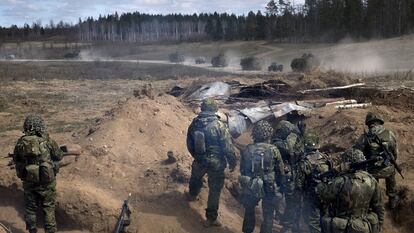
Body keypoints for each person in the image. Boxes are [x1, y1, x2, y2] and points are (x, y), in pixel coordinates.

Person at [186, 98, 237, 227]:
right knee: (214, 190)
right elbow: (227, 147)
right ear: (214, 109)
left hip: (199, 160)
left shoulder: (194, 123)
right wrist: (232, 162)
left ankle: (192, 195)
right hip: (216, 163)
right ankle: (211, 219)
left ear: (202, 109)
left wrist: (196, 156)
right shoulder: (220, 125)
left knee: (195, 178)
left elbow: (189, 143)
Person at [13, 115, 63, 233]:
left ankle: (32, 230)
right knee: (48, 208)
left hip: (29, 183)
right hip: (47, 183)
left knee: (30, 209)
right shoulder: (48, 141)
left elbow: (16, 159)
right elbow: (59, 156)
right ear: (41, 126)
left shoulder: (21, 142)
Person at [317, 149, 384, 233]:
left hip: (340, 227)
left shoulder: (340, 181)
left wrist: (321, 184)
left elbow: (325, 196)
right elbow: (379, 207)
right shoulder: (371, 180)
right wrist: (379, 225)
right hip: (362, 227)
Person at [239, 120, 285, 233]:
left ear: (254, 134)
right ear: (269, 134)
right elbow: (280, 171)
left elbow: (243, 170)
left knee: (249, 211)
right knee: (268, 214)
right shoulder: (274, 150)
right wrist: (281, 187)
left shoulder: (247, 149)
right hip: (269, 186)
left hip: (251, 184)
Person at [354, 112, 399, 209]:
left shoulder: (364, 137)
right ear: (380, 121)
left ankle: (373, 204)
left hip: (371, 171)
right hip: (387, 169)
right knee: (391, 174)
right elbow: (395, 153)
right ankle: (393, 198)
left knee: (372, 186)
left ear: (368, 123)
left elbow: (357, 153)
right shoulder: (390, 133)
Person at [295, 132, 331, 233]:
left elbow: (299, 184)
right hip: (326, 195)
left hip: (311, 197)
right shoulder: (326, 158)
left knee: (314, 223)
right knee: (325, 221)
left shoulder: (304, 162)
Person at [272, 120, 304, 233]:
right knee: (286, 199)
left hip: (283, 175)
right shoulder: (279, 143)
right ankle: (284, 222)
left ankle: (284, 222)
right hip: (284, 175)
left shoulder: (277, 141)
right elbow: (290, 151)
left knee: (286, 199)